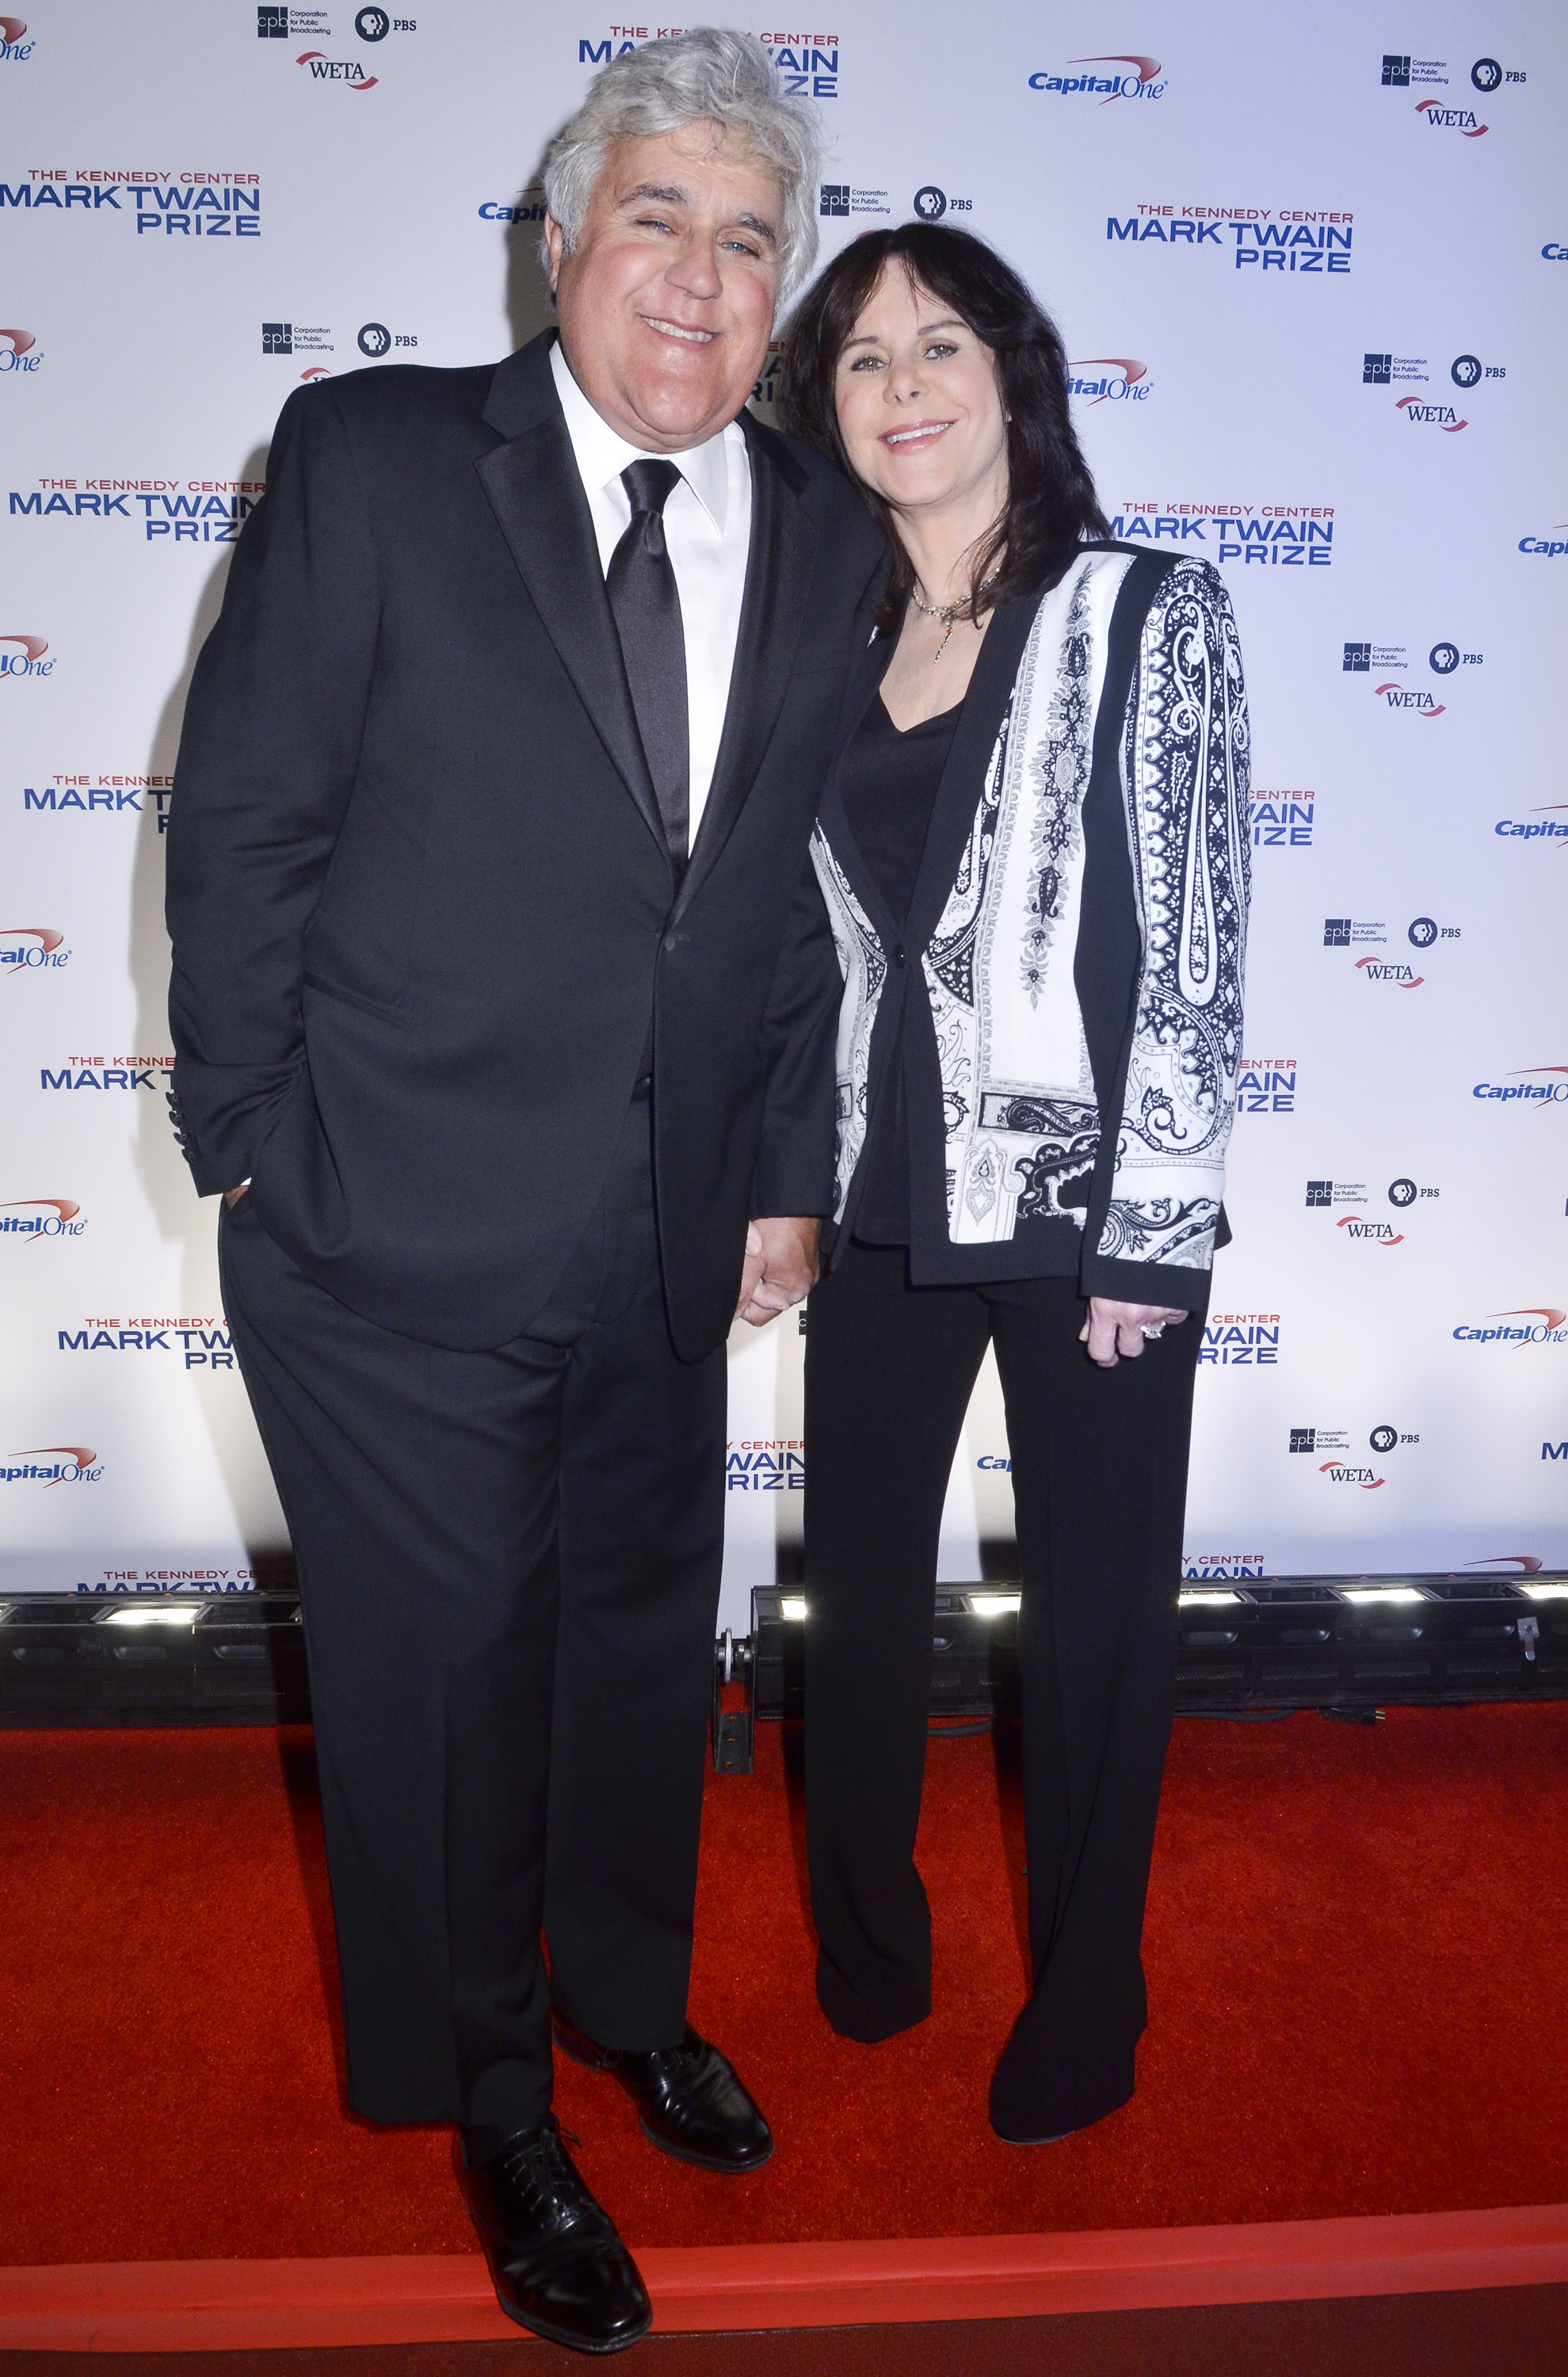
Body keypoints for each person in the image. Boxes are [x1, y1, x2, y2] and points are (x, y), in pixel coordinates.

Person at [164, 31, 882, 2356]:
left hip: (670, 1242)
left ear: (782, 288)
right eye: (655, 216)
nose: (699, 270)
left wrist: (779, 1173)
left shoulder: (829, 526)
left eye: (746, 234)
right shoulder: (379, 456)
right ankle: (492, 2095)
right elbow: (246, 816)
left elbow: (779, 903)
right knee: (445, 1693)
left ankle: (624, 2005)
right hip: (390, 1224)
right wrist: (248, 1143)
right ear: (560, 244)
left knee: (622, 1657)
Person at [781, 223, 1249, 2146]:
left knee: (1098, 1620)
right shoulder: (822, 641)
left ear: (1010, 374)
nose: (904, 386)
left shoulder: (1145, 609)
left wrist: (1156, 1223)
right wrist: (780, 1178)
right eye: (864, 359)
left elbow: (1200, 940)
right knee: (865, 1600)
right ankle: (868, 1944)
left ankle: (1091, 1997)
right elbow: (804, 951)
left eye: (939, 344)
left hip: (1084, 1224)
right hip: (882, 1201)